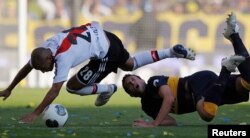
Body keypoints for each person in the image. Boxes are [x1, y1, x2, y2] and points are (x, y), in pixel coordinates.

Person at [0, 21, 195, 123]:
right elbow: (28, 66)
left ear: (50, 59)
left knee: (72, 86)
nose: (44, 72)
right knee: (130, 64)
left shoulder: (63, 57)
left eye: (44, 69)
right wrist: (10, 88)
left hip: (105, 53)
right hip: (106, 36)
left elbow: (54, 91)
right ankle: (170, 52)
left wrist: (35, 114)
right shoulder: (47, 47)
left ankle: (108, 88)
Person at [122, 12, 250, 127]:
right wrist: (151, 122)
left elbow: (169, 98)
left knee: (206, 113)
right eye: (129, 86)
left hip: (197, 83)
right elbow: (171, 122)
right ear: (132, 94)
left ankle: (226, 69)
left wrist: (154, 124)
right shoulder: (147, 106)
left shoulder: (153, 82)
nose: (132, 84)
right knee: (245, 85)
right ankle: (234, 35)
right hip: (212, 91)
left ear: (140, 79)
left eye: (132, 79)